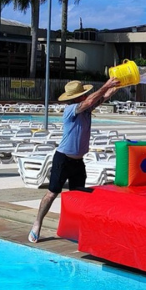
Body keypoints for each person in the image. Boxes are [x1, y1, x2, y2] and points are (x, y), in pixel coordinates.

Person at [28, 77, 120, 242]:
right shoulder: (71, 109)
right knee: (52, 193)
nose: (86, 95)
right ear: (78, 97)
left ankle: (74, 228)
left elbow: (103, 97)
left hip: (78, 162)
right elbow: (91, 100)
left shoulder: (86, 109)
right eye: (83, 94)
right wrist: (106, 84)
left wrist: (119, 85)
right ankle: (37, 223)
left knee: (78, 196)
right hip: (63, 159)